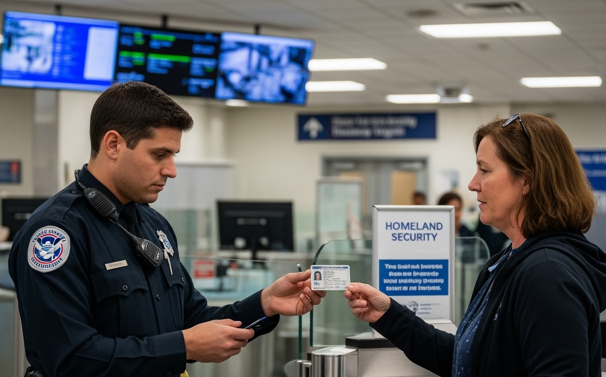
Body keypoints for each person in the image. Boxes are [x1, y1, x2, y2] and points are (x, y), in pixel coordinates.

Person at [8, 81, 326, 377]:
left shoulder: (154, 224)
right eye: (159, 155)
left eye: (172, 156)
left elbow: (190, 319)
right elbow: (70, 357)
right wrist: (183, 347)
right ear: (113, 144)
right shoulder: (56, 233)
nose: (171, 171)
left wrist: (264, 304)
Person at [345, 113, 606, 376]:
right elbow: (470, 360)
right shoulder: (507, 262)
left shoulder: (547, 274)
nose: (473, 184)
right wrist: (389, 315)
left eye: (485, 170)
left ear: (527, 180)